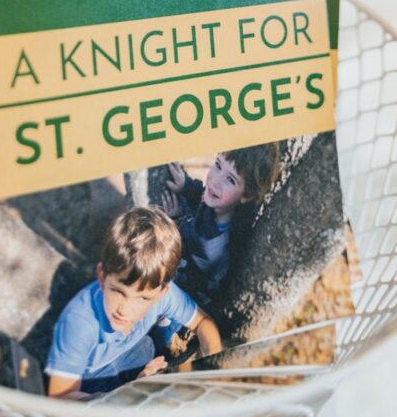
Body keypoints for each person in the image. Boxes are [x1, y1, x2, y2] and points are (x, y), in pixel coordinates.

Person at [45, 206, 222, 398]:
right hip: (90, 378)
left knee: (147, 348)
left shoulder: (162, 292)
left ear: (162, 292)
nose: (125, 310)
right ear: (102, 277)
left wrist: (213, 372)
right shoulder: (79, 322)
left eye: (143, 298)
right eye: (118, 291)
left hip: (131, 351)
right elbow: (61, 398)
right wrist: (133, 392)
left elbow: (203, 322)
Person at [161, 146, 281, 311]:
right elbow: (206, 199)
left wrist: (175, 220)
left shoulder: (213, 247)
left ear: (247, 195)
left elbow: (184, 246)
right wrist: (186, 186)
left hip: (185, 299)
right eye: (218, 165)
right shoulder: (226, 205)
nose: (215, 180)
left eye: (230, 179)